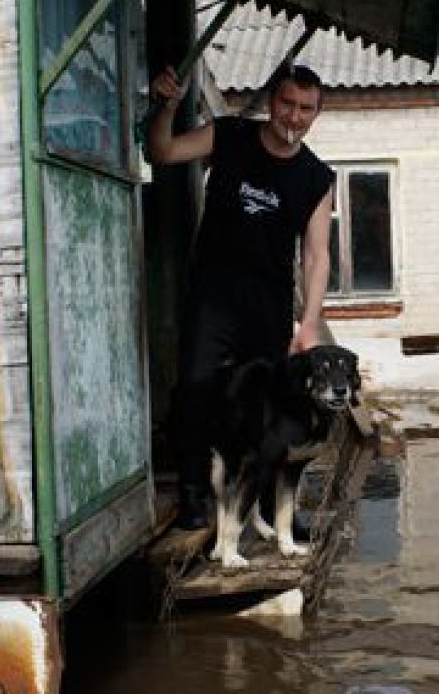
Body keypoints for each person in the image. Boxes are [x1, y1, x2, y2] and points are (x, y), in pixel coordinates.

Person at [147, 62, 336, 530]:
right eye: (287, 104)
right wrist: (167, 107)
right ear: (272, 101)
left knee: (268, 407)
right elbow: (164, 150)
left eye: (305, 110)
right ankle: (194, 498)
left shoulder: (316, 177)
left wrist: (309, 323)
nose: (293, 117)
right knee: (195, 389)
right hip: (212, 296)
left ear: (316, 114)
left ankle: (273, 511)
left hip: (268, 305)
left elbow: (317, 257)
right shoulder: (229, 136)